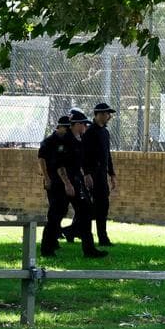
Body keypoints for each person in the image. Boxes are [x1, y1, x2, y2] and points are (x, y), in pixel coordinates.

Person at [62, 109, 107, 258]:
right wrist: (67, 183)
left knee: (86, 212)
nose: (84, 127)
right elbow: (60, 165)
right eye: (83, 124)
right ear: (76, 124)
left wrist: (85, 174)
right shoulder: (66, 141)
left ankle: (88, 248)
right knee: (57, 213)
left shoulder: (79, 139)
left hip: (77, 180)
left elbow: (81, 161)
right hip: (68, 182)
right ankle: (48, 246)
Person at [84, 102, 118, 246]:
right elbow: (84, 155)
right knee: (94, 207)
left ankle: (102, 237)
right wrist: (87, 174)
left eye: (109, 114)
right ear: (98, 115)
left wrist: (112, 174)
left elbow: (107, 155)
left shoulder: (105, 132)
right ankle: (95, 237)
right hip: (93, 174)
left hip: (102, 174)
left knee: (103, 206)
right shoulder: (90, 132)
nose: (108, 117)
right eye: (105, 114)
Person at [37, 115, 71, 256]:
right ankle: (50, 242)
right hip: (53, 180)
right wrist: (46, 178)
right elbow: (42, 159)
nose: (68, 130)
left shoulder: (68, 141)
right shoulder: (49, 141)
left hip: (63, 180)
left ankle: (55, 237)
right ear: (60, 127)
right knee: (55, 211)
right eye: (66, 128)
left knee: (62, 210)